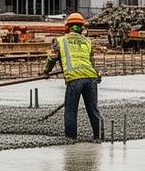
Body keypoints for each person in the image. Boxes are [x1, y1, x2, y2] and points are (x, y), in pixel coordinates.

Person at [43, 12, 102, 141]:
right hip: (91, 78)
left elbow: (52, 58)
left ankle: (71, 139)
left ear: (67, 27)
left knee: (71, 111)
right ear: (82, 28)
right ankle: (99, 137)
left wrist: (46, 71)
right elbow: (91, 62)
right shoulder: (87, 42)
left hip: (74, 78)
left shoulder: (60, 41)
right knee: (93, 109)